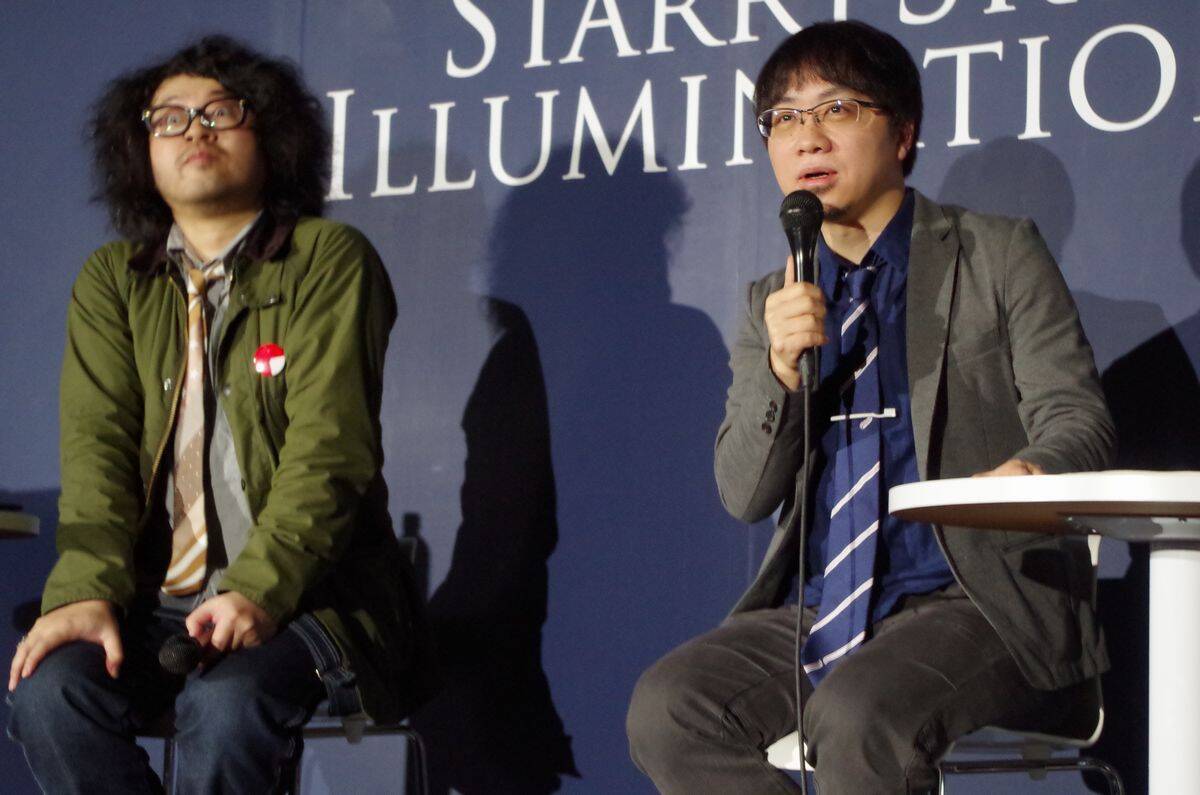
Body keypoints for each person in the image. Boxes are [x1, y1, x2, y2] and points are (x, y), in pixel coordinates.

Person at [627, 20, 1114, 794]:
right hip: (823, 604)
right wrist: (781, 372)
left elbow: (1079, 421)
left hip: (974, 597)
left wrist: (1027, 473)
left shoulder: (995, 254)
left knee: (857, 713)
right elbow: (745, 494)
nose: (807, 138)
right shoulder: (773, 300)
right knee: (670, 708)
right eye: (784, 119)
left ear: (903, 132)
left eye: (837, 109)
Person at [7, 35, 429, 793]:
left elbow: (330, 454)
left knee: (228, 704)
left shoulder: (328, 258)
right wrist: (83, 594)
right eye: (168, 118)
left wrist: (260, 588)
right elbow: (97, 458)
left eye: (221, 112)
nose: (194, 131)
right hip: (156, 603)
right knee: (50, 692)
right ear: (140, 148)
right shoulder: (113, 280)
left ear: (271, 135)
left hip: (309, 598)